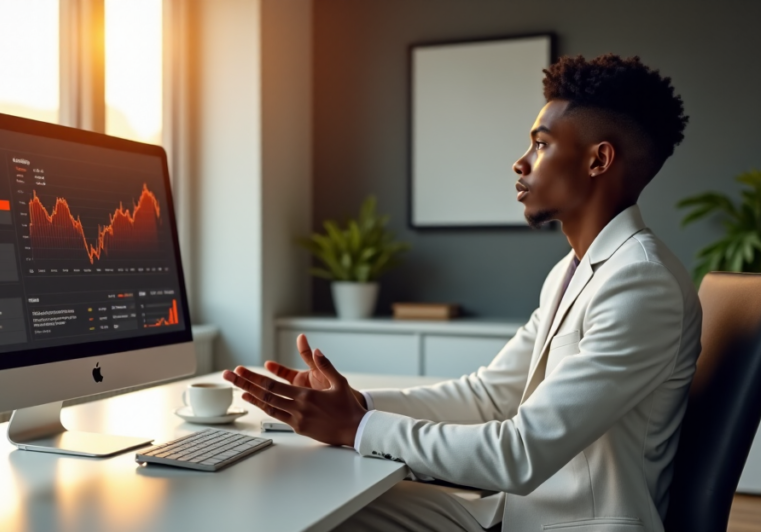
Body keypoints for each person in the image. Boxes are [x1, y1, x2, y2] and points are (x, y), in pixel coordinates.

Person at [223, 54, 699, 532]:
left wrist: (354, 428)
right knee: (316, 504)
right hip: (512, 510)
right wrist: (356, 405)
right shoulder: (571, 272)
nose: (521, 161)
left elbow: (521, 453)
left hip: (567, 523)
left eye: (540, 144)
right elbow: (487, 397)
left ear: (599, 159)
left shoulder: (641, 282)